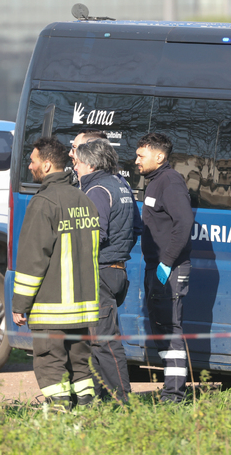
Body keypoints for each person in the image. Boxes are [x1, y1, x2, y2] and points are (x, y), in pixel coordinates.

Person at [12, 136, 100, 411]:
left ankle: (60, 411)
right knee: (80, 362)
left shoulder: (44, 203)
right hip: (83, 307)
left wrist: (19, 305)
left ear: (47, 165)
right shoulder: (84, 200)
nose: (29, 166)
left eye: (33, 161)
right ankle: (87, 409)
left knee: (50, 360)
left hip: (52, 306)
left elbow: (32, 260)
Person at [73, 137, 142, 404]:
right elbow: (136, 228)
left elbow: (94, 233)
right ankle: (99, 398)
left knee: (104, 340)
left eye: (78, 163)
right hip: (117, 270)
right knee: (97, 338)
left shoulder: (97, 189)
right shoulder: (121, 185)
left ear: (91, 164)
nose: (75, 168)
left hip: (99, 271)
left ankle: (123, 402)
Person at [135, 132, 193, 403]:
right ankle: (170, 389)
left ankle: (174, 395)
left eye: (141, 155)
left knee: (171, 331)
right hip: (154, 267)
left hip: (168, 269)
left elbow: (184, 224)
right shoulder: (154, 182)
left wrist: (167, 262)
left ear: (159, 156)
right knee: (161, 328)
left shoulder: (169, 182)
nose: (136, 160)